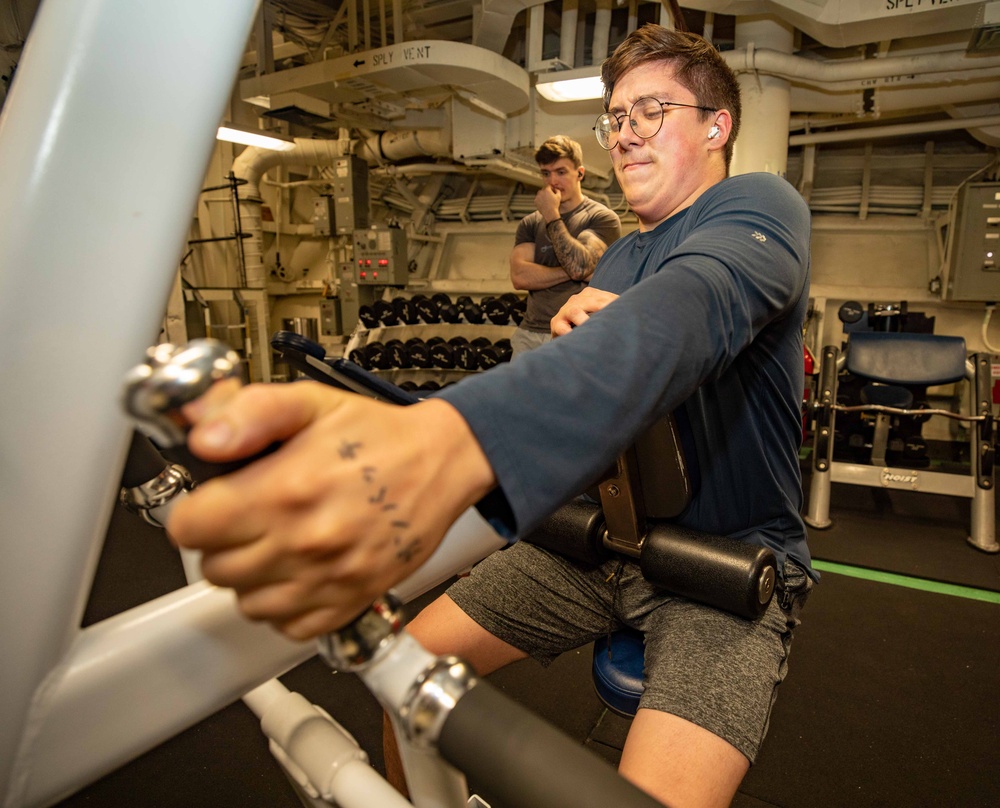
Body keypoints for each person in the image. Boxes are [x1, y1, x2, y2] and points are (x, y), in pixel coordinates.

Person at [168, 23, 815, 808]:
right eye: (615, 117)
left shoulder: (758, 205)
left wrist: (452, 441)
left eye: (652, 110)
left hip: (724, 565)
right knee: (403, 670)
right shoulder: (617, 254)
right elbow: (600, 402)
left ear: (718, 126)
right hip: (601, 544)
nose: (624, 135)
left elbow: (697, 307)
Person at [509, 135, 621, 355]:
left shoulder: (600, 217)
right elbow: (519, 277)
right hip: (529, 333)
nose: (553, 182)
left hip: (574, 330)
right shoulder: (530, 222)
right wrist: (575, 272)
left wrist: (551, 214)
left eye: (561, 172)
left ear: (580, 173)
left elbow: (578, 267)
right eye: (546, 173)